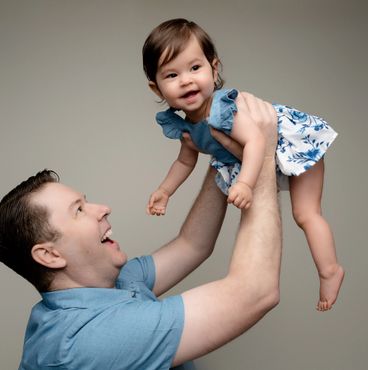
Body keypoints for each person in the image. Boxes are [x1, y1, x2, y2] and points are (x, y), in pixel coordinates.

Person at [0, 95, 281, 369]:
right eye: (79, 210)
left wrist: (218, 147)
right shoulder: (90, 338)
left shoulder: (111, 281)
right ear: (49, 255)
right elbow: (255, 292)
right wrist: (264, 153)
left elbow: (192, 244)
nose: (103, 208)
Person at [142, 18, 344, 311]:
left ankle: (330, 270)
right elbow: (184, 162)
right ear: (156, 88)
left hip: (291, 141)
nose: (186, 80)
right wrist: (164, 190)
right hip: (264, 157)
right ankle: (330, 270)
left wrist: (246, 183)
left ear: (214, 68)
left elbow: (256, 142)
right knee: (303, 215)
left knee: (307, 213)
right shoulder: (186, 129)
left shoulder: (225, 109)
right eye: (171, 75)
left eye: (195, 68)